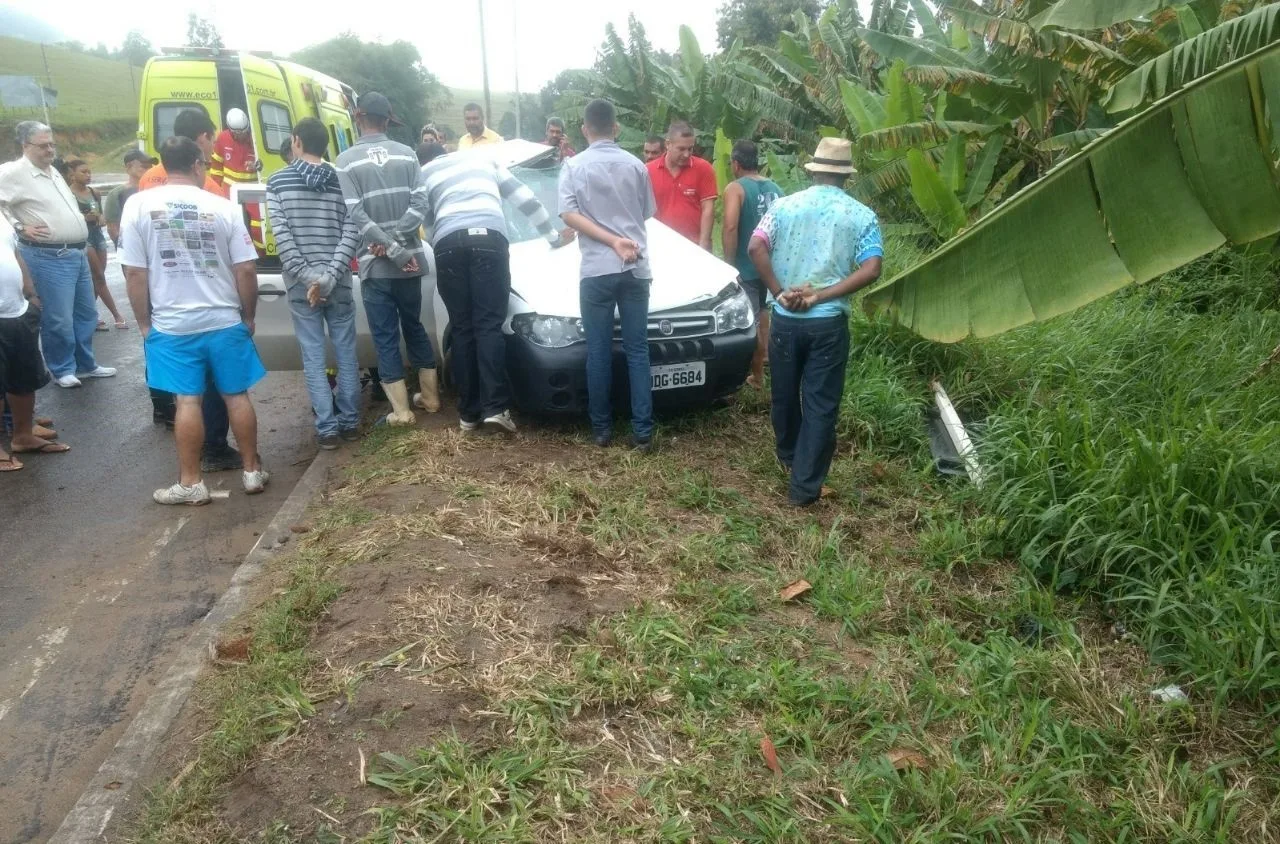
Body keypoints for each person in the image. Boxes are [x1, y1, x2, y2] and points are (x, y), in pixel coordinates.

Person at [120, 136, 269, 505]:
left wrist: (144, 324)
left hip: (172, 325)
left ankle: (191, 483)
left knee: (187, 402)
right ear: (198, 165)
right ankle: (252, 472)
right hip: (223, 319)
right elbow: (247, 269)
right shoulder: (223, 208)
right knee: (236, 395)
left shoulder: (137, 206)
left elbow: (134, 274)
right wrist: (247, 316)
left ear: (163, 165)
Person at [747, 138, 883, 508]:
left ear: (814, 169)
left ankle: (790, 456)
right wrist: (823, 295)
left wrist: (778, 292)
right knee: (821, 404)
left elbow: (755, 246)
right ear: (845, 176)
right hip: (827, 323)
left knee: (785, 395)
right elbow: (872, 268)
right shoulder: (861, 215)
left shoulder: (784, 206)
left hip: (786, 319)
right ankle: (804, 487)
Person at [419, 142, 573, 435]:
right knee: (489, 325)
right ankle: (495, 409)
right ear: (449, 150)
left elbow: (427, 227)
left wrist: (445, 240)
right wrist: (553, 237)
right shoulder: (483, 160)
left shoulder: (425, 172)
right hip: (489, 240)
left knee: (463, 328)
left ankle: (468, 413)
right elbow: (527, 201)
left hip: (448, 245)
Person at [138, 108, 242, 472]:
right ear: (199, 142)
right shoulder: (208, 188)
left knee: (181, 392)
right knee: (221, 389)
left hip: (162, 299)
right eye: (211, 137)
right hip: (208, 300)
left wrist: (143, 318)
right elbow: (235, 256)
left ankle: (182, 454)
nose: (213, 145)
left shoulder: (148, 180)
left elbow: (137, 259)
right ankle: (216, 448)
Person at [558, 99, 657, 452]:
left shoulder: (573, 167)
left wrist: (608, 239)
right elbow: (646, 213)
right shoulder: (636, 166)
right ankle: (642, 432)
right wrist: (620, 236)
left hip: (597, 270)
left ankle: (601, 429)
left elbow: (568, 215)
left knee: (597, 351)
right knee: (637, 350)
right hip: (636, 268)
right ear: (616, 128)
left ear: (585, 129)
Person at [336, 91, 435, 427]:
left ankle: (401, 412)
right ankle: (431, 398)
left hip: (375, 265)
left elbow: (357, 216)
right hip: (410, 262)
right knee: (415, 326)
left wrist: (387, 247)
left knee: (385, 335)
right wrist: (399, 245)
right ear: (388, 119)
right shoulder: (408, 155)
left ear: (359, 117)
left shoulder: (345, 160)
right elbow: (420, 205)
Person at [266, 117, 362, 449]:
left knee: (313, 355)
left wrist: (310, 278)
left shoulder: (277, 181)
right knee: (346, 352)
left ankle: (327, 429)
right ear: (326, 144)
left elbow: (283, 239)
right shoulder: (343, 181)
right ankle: (350, 422)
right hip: (339, 282)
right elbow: (352, 231)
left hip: (299, 285)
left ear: (296, 141)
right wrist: (330, 276)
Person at [0, 121, 116, 388]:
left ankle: (85, 364)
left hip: (76, 253)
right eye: (43, 145)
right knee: (59, 318)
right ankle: (62, 368)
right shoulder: (13, 172)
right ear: (25, 146)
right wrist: (19, 226)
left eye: (52, 144)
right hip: (48, 256)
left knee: (85, 313)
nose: (50, 149)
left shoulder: (52, 171)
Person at [0, 215, 71, 471]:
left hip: (17, 309)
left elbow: (15, 253)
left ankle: (22, 436)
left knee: (23, 379)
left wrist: (30, 293)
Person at [722, 139, 782, 389]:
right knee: (763, 312)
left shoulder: (735, 188)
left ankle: (756, 375)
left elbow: (730, 226)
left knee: (749, 317)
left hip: (746, 265)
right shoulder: (775, 188)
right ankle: (762, 367)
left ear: (736, 163)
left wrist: (728, 264)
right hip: (770, 264)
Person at [64, 159, 129, 330]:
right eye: (83, 172)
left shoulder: (95, 192)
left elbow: (100, 213)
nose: (88, 175)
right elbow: (67, 219)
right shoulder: (68, 194)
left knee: (96, 278)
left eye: (89, 172)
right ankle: (116, 315)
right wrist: (85, 218)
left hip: (98, 236)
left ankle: (86, 316)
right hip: (83, 238)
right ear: (72, 175)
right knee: (99, 276)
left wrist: (100, 218)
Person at [647, 122, 717, 250]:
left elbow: (708, 209)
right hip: (659, 246)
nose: (686, 154)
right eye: (681, 149)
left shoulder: (703, 169)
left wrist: (704, 243)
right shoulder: (648, 171)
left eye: (690, 149)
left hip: (693, 246)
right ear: (668, 144)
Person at [210, 108, 265, 253]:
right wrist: (216, 191)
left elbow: (265, 162)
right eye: (237, 133)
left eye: (244, 132)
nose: (242, 136)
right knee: (231, 224)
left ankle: (261, 257)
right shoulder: (222, 138)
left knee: (258, 225)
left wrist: (257, 167)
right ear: (231, 131)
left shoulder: (256, 138)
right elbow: (216, 166)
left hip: (253, 189)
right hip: (230, 189)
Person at [104, 149, 156, 247]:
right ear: (128, 167)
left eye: (150, 167)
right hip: (131, 248)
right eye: (144, 166)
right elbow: (112, 227)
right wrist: (123, 247)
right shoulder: (117, 194)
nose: (148, 170)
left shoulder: (156, 190)